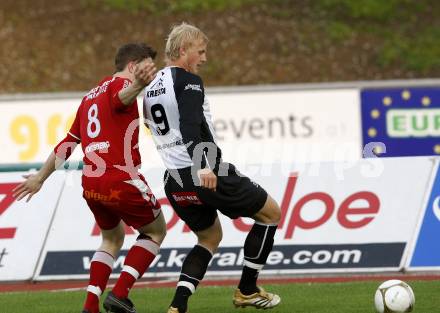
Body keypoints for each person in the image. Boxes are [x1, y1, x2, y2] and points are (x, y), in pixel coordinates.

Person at [13, 43, 166, 313]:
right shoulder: (118, 87)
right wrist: (139, 85)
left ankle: (90, 305)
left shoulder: (88, 98)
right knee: (155, 231)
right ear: (132, 66)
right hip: (121, 177)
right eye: (145, 65)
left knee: (111, 239)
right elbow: (122, 98)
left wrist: (41, 177)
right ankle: (120, 294)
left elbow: (69, 142)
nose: (148, 70)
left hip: (91, 184)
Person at [143, 23, 282, 313]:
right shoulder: (189, 81)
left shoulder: (151, 88)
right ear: (183, 51)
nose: (204, 58)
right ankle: (247, 290)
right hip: (204, 172)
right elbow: (191, 126)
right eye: (201, 51)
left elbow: (154, 127)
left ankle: (178, 305)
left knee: (209, 238)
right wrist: (203, 165)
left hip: (174, 179)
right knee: (271, 213)